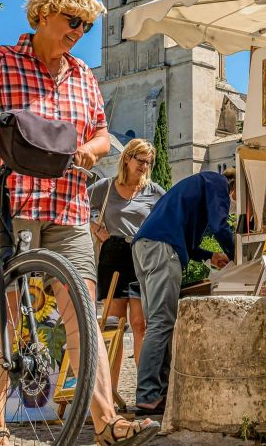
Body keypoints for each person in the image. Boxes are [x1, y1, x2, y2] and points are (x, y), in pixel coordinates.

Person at [0, 0, 157, 446]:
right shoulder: (2, 60)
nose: (80, 31)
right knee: (0, 314)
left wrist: (93, 151)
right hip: (8, 203)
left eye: (87, 25)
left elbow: (99, 132)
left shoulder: (84, 76)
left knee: (83, 315)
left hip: (68, 205)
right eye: (73, 21)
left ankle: (107, 423)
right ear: (43, 15)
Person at [131, 169, 236, 414]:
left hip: (144, 246)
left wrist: (211, 255)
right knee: (161, 322)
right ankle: (147, 394)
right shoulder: (218, 181)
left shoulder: (197, 186)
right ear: (234, 187)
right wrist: (237, 256)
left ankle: (160, 393)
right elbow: (220, 224)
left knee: (159, 322)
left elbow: (188, 243)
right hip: (162, 248)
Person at [88, 138, 165, 391]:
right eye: (140, 160)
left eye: (148, 162)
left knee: (140, 323)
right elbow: (78, 205)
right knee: (113, 326)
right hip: (113, 255)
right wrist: (95, 228)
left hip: (141, 255)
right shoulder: (106, 187)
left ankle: (144, 391)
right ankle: (109, 392)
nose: (144, 166)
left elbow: (169, 215)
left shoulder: (153, 191)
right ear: (127, 158)